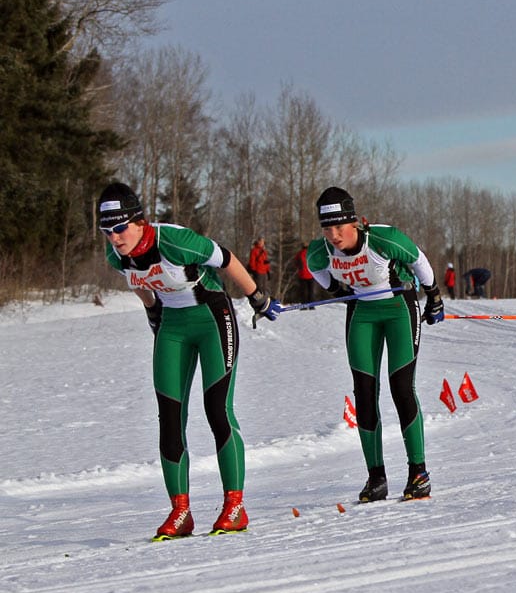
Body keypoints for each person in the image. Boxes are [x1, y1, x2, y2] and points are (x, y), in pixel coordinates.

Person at [97, 182, 281, 540]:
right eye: (107, 231)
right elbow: (138, 279)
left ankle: (235, 506)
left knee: (217, 409)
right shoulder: (116, 253)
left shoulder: (175, 241)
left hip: (212, 319)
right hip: (173, 326)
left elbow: (226, 259)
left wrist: (257, 296)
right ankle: (180, 512)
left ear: (139, 222)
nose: (114, 238)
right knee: (169, 417)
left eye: (119, 228)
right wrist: (152, 310)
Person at [306, 187, 444, 502]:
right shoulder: (320, 250)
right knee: (365, 394)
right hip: (362, 315)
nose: (334, 235)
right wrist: (336, 289)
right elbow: (315, 267)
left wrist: (434, 296)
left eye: (339, 227)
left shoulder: (383, 239)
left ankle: (418, 473)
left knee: (401, 388)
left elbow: (418, 259)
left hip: (398, 310)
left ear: (354, 222)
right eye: (327, 229)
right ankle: (376, 477)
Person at [294, 242, 316, 307]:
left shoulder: (299, 254)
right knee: (311, 291)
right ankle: (311, 305)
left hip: (302, 275)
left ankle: (303, 305)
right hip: (311, 275)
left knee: (303, 291)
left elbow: (295, 263)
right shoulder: (311, 253)